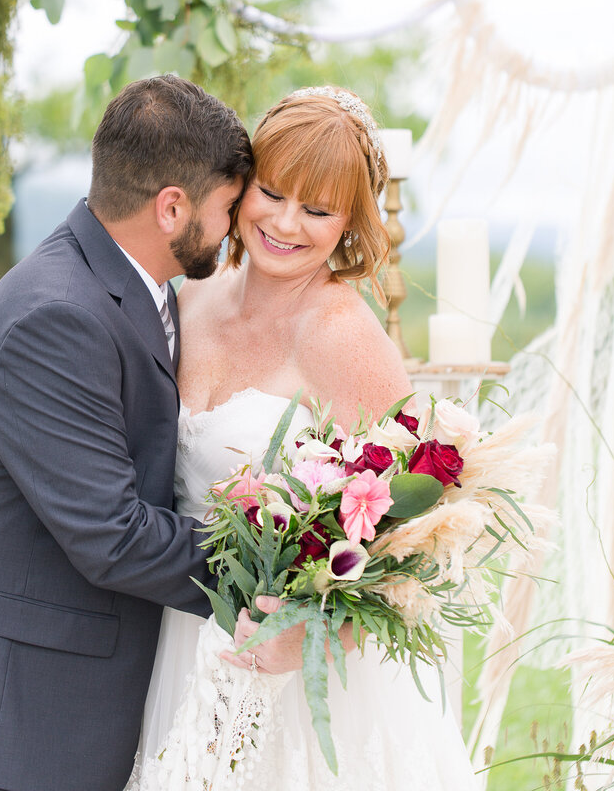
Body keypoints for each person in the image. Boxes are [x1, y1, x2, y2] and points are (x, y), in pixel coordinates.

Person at [0, 75, 254, 791]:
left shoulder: (129, 285)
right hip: (6, 723)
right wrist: (281, 563)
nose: (233, 228)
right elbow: (110, 533)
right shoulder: (56, 319)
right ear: (172, 207)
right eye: (228, 207)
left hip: (47, 706)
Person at [128, 85, 479, 790]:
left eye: (317, 211)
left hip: (302, 669)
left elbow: (420, 534)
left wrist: (316, 636)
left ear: (349, 221)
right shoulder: (190, 297)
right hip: (179, 632)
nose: (286, 223)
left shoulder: (344, 336)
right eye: (273, 193)